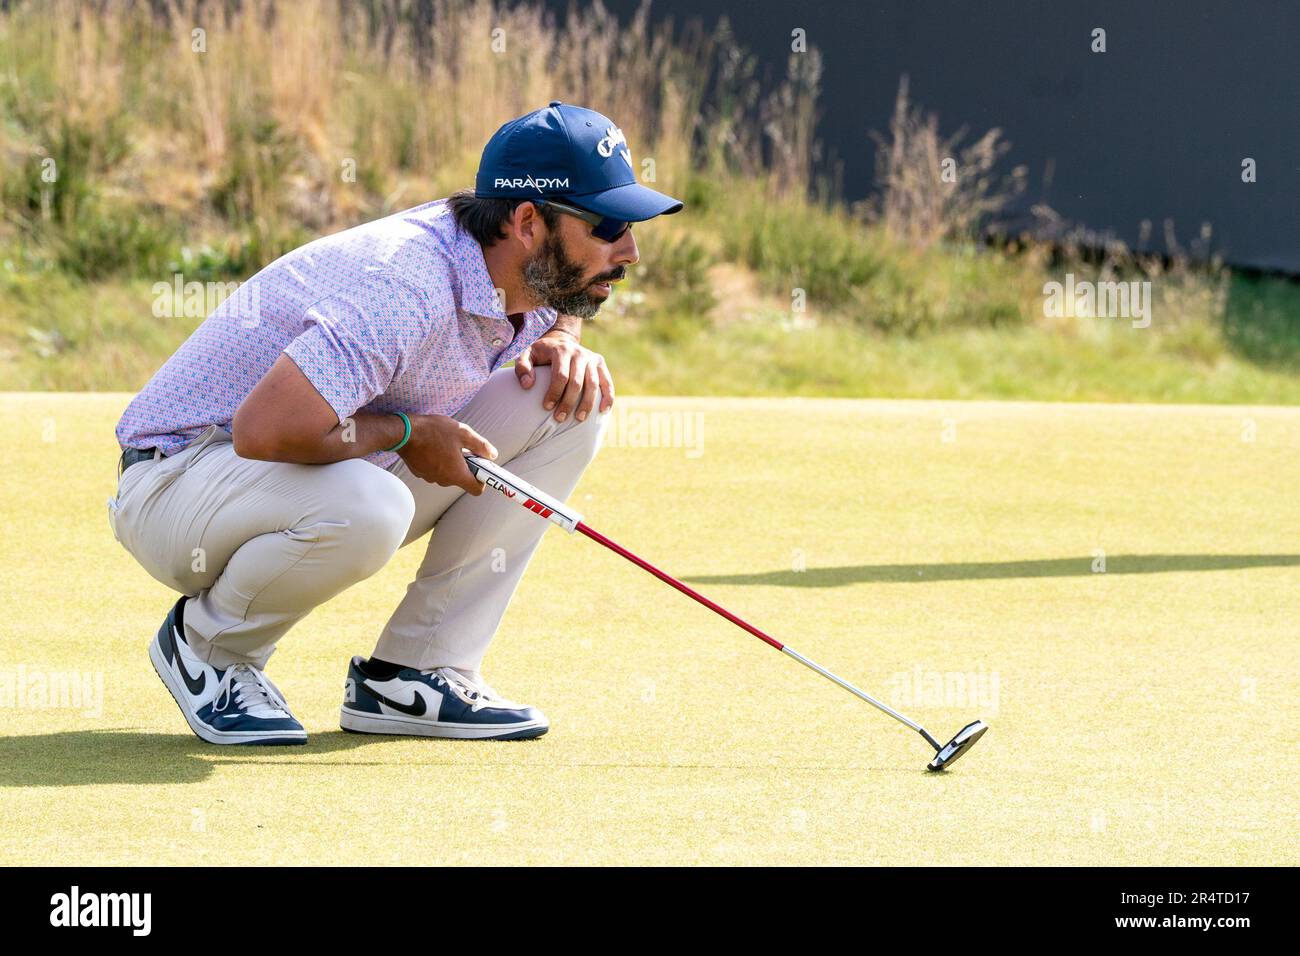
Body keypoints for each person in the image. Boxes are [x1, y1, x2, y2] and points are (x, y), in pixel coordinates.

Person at [106, 101, 684, 745]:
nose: (629, 251)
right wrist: (410, 433)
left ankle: (418, 672)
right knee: (371, 504)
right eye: (608, 227)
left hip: (293, 469)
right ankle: (210, 650)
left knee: (568, 394)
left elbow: (564, 304)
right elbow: (262, 431)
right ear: (526, 221)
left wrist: (568, 336)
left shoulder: (514, 265)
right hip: (178, 480)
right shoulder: (404, 286)